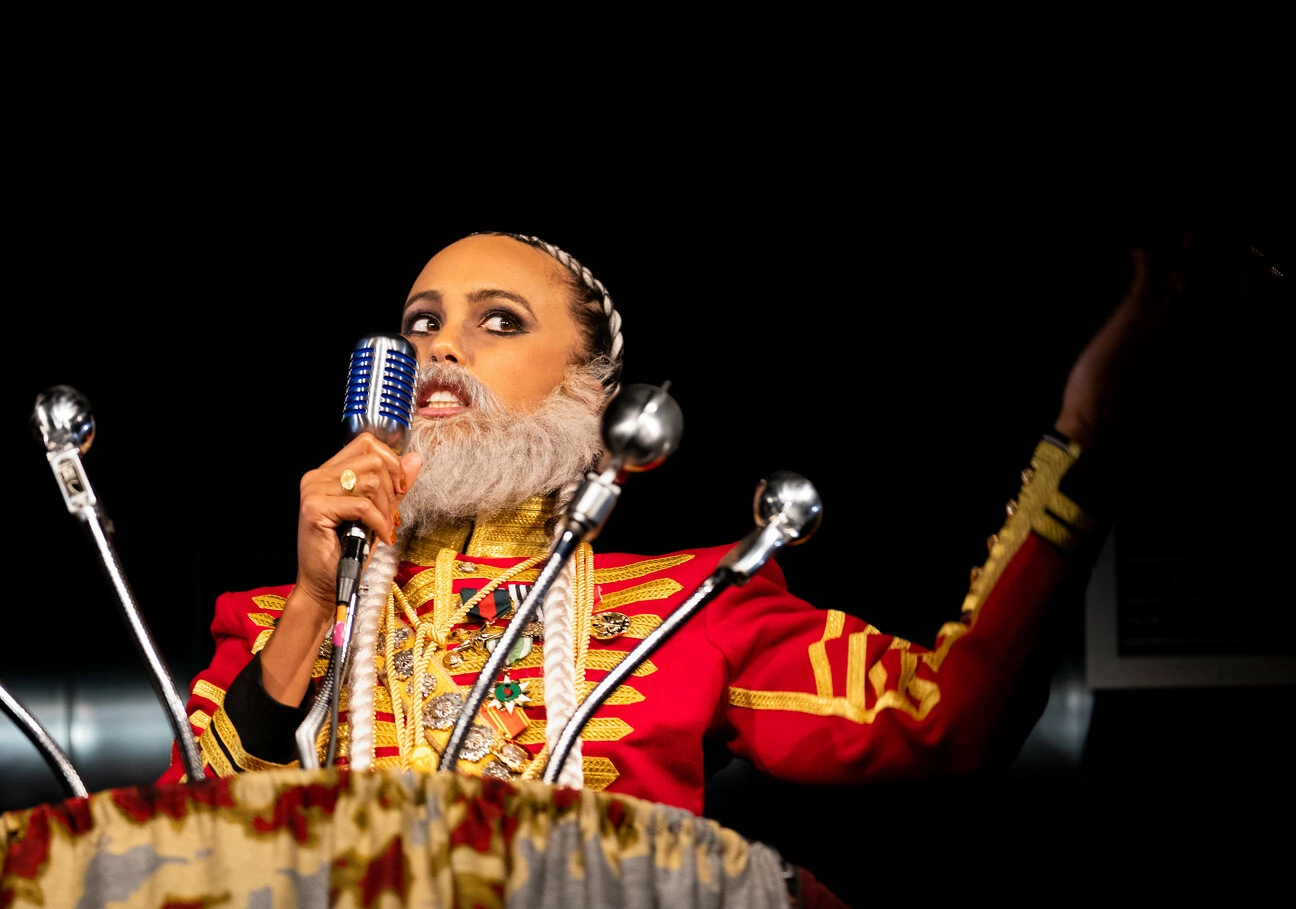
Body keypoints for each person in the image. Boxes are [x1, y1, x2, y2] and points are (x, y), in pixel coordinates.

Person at [158, 231, 1152, 802]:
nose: (441, 347)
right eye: (420, 323)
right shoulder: (272, 620)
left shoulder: (689, 606)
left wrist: (1086, 436)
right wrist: (309, 606)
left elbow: (948, 719)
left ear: (590, 394)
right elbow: (159, 854)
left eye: (496, 321)